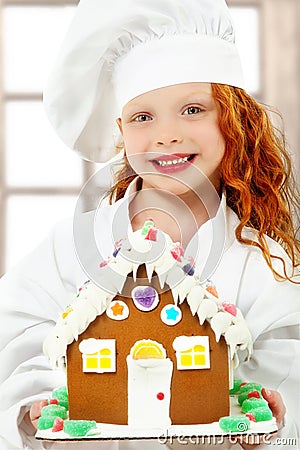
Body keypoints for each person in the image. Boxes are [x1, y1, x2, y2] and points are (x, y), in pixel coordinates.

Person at [0, 0, 299, 449]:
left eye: (193, 109)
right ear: (121, 129)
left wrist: (276, 420)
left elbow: (289, 381)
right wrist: (34, 410)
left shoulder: (265, 261)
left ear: (232, 119)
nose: (167, 134)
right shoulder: (67, 247)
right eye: (143, 117)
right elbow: (16, 347)